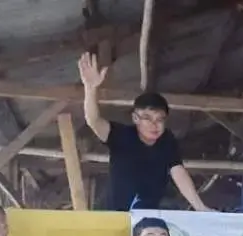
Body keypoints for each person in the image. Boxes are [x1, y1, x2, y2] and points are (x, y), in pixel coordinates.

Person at [78, 52, 212, 212]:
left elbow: (178, 172)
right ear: (135, 118)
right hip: (113, 214)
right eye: (147, 118)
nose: (154, 125)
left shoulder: (167, 141)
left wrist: (200, 207)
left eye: (159, 119)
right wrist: (90, 89)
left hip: (146, 216)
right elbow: (93, 120)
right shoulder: (121, 135)